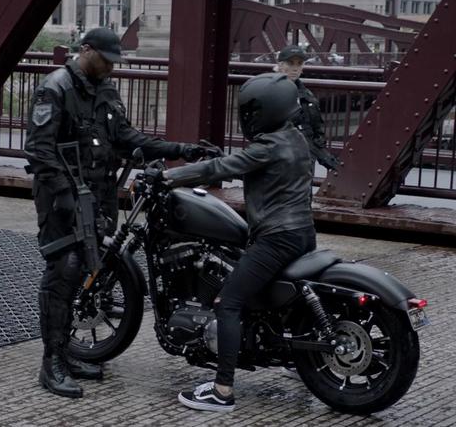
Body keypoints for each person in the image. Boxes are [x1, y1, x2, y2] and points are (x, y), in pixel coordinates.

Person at [24, 27, 209, 399]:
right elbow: (39, 152)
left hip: (98, 199)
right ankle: (52, 364)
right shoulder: (55, 88)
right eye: (106, 59)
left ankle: (68, 356)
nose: (111, 67)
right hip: (63, 202)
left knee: (87, 273)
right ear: (86, 50)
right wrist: (66, 195)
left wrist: (180, 149)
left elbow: (127, 138)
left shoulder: (105, 90)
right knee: (63, 275)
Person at [157, 73, 317, 412]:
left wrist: (169, 175)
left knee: (228, 301)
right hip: (302, 233)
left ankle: (222, 390)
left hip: (275, 238)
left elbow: (220, 168)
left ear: (264, 111)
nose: (247, 116)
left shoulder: (269, 147)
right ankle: (295, 359)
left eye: (250, 110)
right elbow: (248, 161)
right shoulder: (297, 139)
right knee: (273, 298)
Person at [276, 45, 340, 172]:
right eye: (290, 63)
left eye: (299, 63)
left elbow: (316, 128)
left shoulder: (307, 95)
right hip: (281, 158)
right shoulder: (271, 91)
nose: (295, 68)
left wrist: (318, 148)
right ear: (280, 65)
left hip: (305, 159)